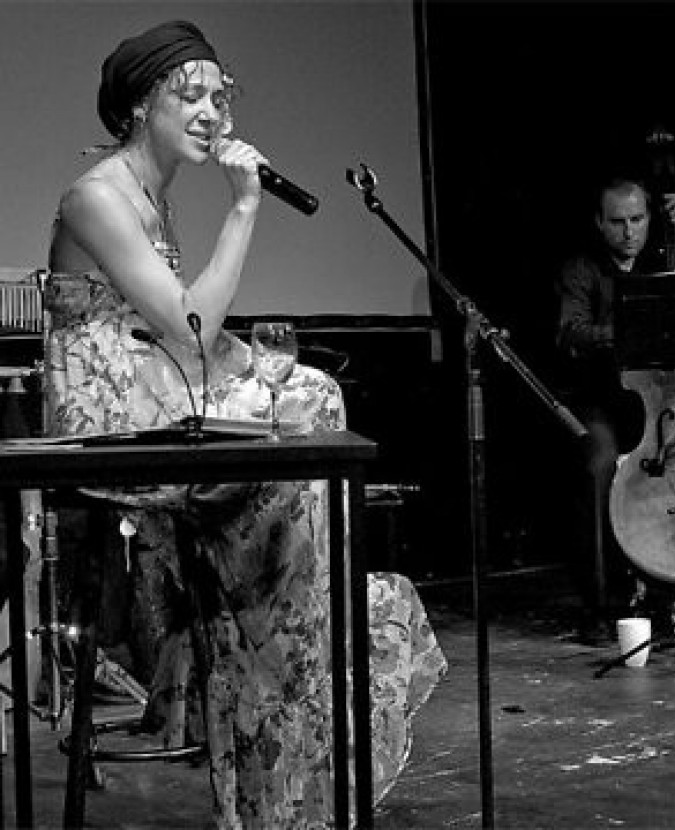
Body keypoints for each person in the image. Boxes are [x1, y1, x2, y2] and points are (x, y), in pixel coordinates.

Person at [45, 20, 446, 827]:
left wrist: (258, 370)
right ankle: (286, 641)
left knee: (312, 395)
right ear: (138, 106)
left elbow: (183, 342)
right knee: (306, 406)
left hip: (165, 398)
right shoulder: (97, 197)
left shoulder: (153, 198)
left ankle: (290, 628)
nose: (210, 114)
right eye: (189, 96)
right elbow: (188, 327)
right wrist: (245, 206)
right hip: (113, 422)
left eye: (218, 97)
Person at [555, 173, 675, 642]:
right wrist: (637, 327)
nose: (629, 232)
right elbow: (570, 331)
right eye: (618, 222)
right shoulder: (581, 270)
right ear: (599, 223)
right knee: (599, 465)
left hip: (663, 401)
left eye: (638, 219)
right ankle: (600, 604)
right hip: (603, 399)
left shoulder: (667, 260)